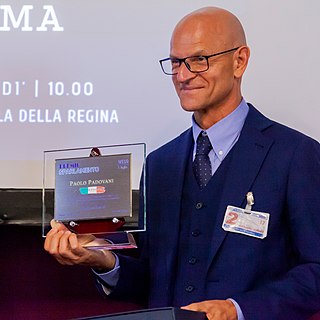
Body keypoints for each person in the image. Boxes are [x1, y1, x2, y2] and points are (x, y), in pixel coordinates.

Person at [44, 6, 320, 320]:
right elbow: (151, 281)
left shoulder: (295, 155)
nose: (183, 75)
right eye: (176, 62)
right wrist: (103, 260)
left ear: (239, 60)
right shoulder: (161, 164)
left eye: (199, 60)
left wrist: (238, 310)